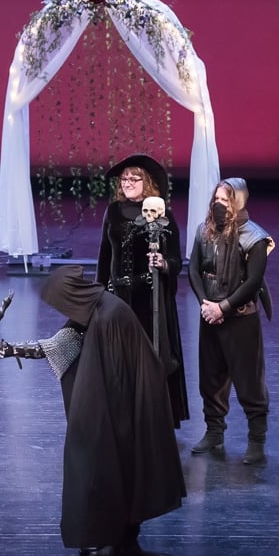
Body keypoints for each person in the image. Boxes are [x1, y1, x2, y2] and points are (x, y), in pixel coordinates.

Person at [0, 265, 186, 556]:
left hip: (127, 408)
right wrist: (9, 350)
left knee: (120, 467)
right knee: (106, 468)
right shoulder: (94, 310)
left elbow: (119, 375)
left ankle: (121, 541)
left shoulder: (109, 315)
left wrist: (107, 417)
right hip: (116, 406)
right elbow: (58, 346)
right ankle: (112, 538)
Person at [97, 154, 189, 427]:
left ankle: (152, 418)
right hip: (117, 296)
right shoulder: (113, 211)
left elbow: (175, 259)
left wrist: (162, 263)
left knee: (150, 358)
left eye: (133, 178)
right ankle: (122, 416)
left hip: (148, 299)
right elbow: (105, 256)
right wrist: (98, 293)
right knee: (118, 359)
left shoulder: (162, 214)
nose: (127, 183)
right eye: (124, 179)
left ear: (146, 182)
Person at [187, 178, 274, 465]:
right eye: (217, 199)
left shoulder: (255, 237)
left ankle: (256, 440)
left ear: (238, 201)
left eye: (226, 200)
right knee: (211, 378)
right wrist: (205, 304)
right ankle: (214, 432)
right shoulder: (205, 231)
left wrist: (223, 307)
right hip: (209, 315)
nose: (219, 204)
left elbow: (252, 283)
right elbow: (195, 270)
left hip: (239, 319)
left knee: (249, 381)